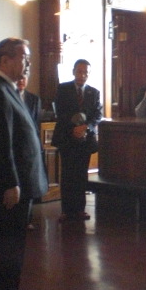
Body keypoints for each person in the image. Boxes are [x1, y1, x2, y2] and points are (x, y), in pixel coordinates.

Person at [0, 37, 48, 290]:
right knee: (7, 244)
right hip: (11, 184)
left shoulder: (7, 88)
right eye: (23, 57)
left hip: (20, 180)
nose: (28, 63)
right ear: (5, 60)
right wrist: (11, 183)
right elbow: (0, 144)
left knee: (14, 243)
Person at [51, 59, 103, 223]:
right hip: (67, 137)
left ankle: (80, 209)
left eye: (86, 72)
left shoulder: (94, 92)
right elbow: (60, 112)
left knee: (81, 174)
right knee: (67, 174)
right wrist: (72, 128)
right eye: (80, 71)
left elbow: (97, 115)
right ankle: (66, 210)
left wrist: (86, 128)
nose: (82, 75)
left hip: (85, 139)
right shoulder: (63, 88)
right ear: (74, 72)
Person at [17, 73, 42, 230]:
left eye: (25, 77)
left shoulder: (34, 99)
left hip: (30, 149)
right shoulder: (9, 96)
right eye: (19, 78)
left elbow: (36, 125)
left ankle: (27, 219)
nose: (21, 80)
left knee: (29, 185)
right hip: (15, 148)